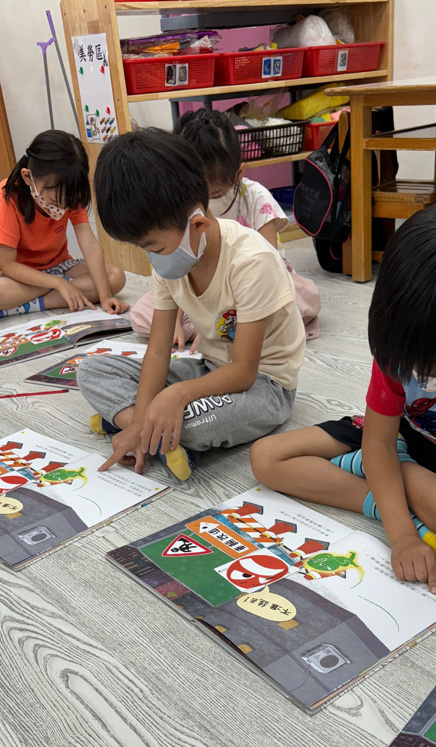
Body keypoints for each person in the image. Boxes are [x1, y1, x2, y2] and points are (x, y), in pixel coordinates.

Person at [251, 203, 436, 618]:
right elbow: (379, 438)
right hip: (403, 430)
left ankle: (391, 470)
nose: (417, 376)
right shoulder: (404, 323)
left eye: (433, 373)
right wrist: (403, 534)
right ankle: (391, 476)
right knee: (268, 458)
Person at [76, 127, 305, 483]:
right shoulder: (171, 260)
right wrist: (146, 413)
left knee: (195, 423)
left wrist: (178, 395)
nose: (152, 258)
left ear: (197, 223)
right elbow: (157, 352)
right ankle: (150, 431)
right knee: (91, 370)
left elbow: (245, 372)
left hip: (265, 386)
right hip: (208, 370)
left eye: (154, 247)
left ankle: (146, 428)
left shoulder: (252, 261)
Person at [130, 109, 321, 343]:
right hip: (201, 292)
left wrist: (213, 322)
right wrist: (176, 320)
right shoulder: (181, 205)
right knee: (142, 315)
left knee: (299, 300)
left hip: (253, 289)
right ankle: (219, 331)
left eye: (215, 194)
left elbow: (270, 270)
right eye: (195, 193)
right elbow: (180, 278)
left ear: (239, 173)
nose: (203, 204)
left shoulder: (255, 198)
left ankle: (220, 331)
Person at [0, 129, 128, 319]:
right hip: (20, 277)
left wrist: (105, 297)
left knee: (116, 277)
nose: (62, 207)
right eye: (54, 200)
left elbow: (90, 246)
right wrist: (58, 283)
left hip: (60, 267)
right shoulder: (6, 199)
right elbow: (8, 265)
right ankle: (58, 293)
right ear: (28, 177)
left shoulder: (70, 192)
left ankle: (25, 305)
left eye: (67, 202)